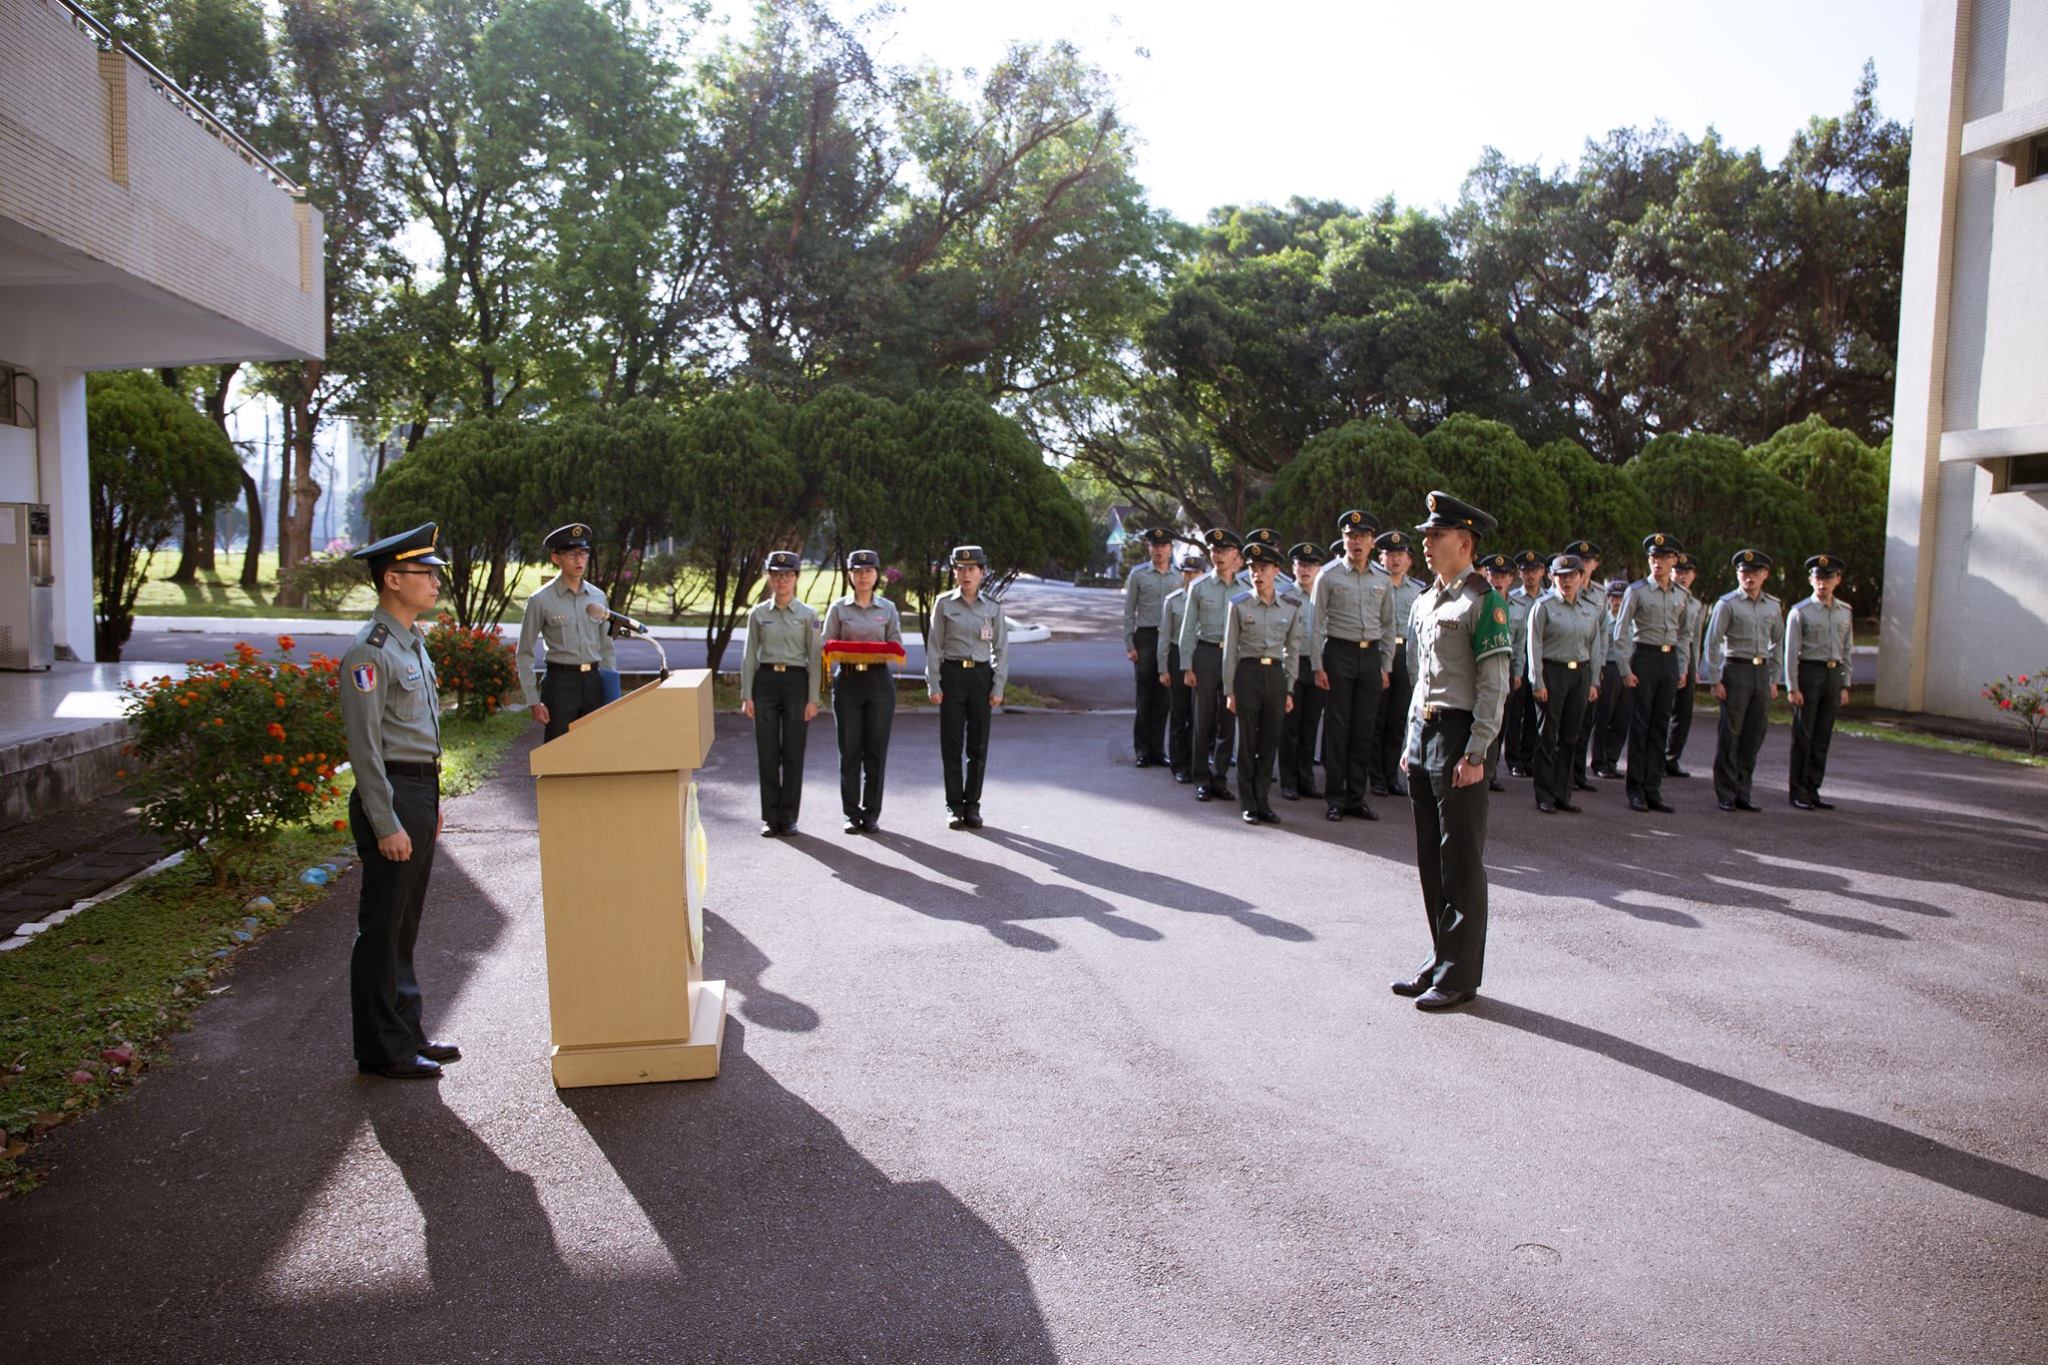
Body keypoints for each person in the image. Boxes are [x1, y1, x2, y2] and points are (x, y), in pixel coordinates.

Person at [341, 523, 457, 1080]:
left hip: (417, 788)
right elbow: (364, 751)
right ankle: (382, 1050)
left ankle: (407, 1032)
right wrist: (386, 820)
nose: (435, 583)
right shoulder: (370, 652)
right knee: (383, 926)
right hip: (389, 789)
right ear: (392, 579)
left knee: (405, 925)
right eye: (424, 573)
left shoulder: (412, 643)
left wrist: (428, 801)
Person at [1394, 492, 1513, 1013]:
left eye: (1434, 535)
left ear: (1464, 543)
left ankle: (1461, 974)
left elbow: (1495, 684)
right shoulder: (1426, 600)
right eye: (1425, 534)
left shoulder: (1485, 600)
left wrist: (1478, 749)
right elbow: (1418, 679)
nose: (1424, 541)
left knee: (1461, 859)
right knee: (1430, 855)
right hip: (1425, 735)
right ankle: (1440, 956)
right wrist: (1408, 739)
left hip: (1461, 735)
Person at [1309, 509, 1394, 822]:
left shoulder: (1383, 580)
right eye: (1350, 536)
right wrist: (1318, 665)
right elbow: (1315, 624)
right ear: (1343, 539)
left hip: (1370, 656)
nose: (1356, 542)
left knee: (1363, 729)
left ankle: (1356, 797)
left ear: (1372, 542)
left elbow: (1388, 625)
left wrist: (1385, 665)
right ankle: (1335, 797)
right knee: (1338, 727)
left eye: (1362, 537)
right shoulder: (1328, 575)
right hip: (1338, 653)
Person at [1223, 535, 1308, 824]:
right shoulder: (1239, 605)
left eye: (1263, 568)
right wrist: (1229, 690)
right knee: (1247, 742)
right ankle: (1248, 802)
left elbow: (1293, 649)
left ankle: (1263, 801)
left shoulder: (1291, 606)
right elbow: (1230, 651)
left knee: (1269, 741)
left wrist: (1290, 688)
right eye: (1253, 568)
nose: (1257, 574)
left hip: (1275, 676)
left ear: (1276, 572)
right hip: (1247, 675)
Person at [741, 549, 823, 836]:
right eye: (776, 575)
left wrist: (813, 698)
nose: (782, 580)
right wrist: (746, 694)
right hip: (765, 683)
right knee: (767, 751)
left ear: (796, 578)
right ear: (769, 577)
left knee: (793, 751)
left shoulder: (808, 615)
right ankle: (769, 816)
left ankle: (788, 817)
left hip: (795, 683)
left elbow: (815, 658)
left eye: (787, 575)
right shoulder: (759, 613)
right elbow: (749, 655)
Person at [822, 549, 904, 833]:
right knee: (849, 749)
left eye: (868, 571)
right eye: (857, 571)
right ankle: (850, 813)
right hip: (847, 682)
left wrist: (875, 651)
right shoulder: (839, 609)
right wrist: (846, 651)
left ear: (876, 574)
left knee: (876, 750)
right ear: (850, 575)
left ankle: (871, 813)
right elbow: (826, 644)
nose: (863, 576)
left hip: (879, 682)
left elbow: (895, 643)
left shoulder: (888, 609)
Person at [927, 544, 1009, 829]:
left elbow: (1001, 649)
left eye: (971, 569)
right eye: (960, 569)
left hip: (981, 678)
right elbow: (934, 646)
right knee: (951, 745)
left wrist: (998, 686)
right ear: (954, 572)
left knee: (978, 745)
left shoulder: (992, 607)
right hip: (952, 676)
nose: (966, 574)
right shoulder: (944, 604)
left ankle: (972, 805)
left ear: (982, 572)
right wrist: (933, 682)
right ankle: (954, 805)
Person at [516, 522, 619, 742]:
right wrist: (534, 701)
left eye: (583, 553)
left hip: (594, 681)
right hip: (560, 684)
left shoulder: (598, 597)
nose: (579, 560)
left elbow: (607, 647)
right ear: (556, 558)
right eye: (571, 554)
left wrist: (612, 693)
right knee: (558, 751)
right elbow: (524, 652)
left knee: (594, 748)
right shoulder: (540, 600)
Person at [1700, 549, 1784, 812]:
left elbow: (1778, 642)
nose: (1750, 577)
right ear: (1737, 574)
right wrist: (1715, 679)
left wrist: (1775, 679)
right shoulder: (1727, 604)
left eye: (1755, 572)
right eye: (1744, 572)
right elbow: (1712, 642)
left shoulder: (1773, 605)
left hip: (1761, 673)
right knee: (1730, 734)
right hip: (1736, 671)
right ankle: (1725, 791)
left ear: (1765, 575)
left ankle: (1743, 791)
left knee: (1754, 735)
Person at [1614, 534, 1688, 814]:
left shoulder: (1681, 594)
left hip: (1668, 660)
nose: (1659, 562)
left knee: (1661, 725)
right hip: (1643, 656)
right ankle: (1636, 790)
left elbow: (1685, 634)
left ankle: (1653, 789)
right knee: (1641, 726)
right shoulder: (1638, 590)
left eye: (1665, 557)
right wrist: (1625, 668)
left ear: (1674, 561)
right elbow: (1621, 632)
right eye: (1654, 557)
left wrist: (1683, 666)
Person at [1526, 553, 1603, 813]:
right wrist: (1537, 681)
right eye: (1561, 576)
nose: (1567, 581)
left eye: (1572, 576)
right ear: (1552, 577)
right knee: (1548, 735)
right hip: (1552, 672)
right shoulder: (1544, 606)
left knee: (1571, 736)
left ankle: (1563, 792)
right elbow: (1533, 646)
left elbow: (1595, 647)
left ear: (1582, 577)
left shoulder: (1590, 609)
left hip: (1579, 674)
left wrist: (1593, 681)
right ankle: (1545, 794)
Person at [1176, 529, 1244, 804]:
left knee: (1228, 723)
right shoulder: (1199, 587)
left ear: (1236, 555)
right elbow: (1188, 629)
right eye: (1214, 551)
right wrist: (1186, 666)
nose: (1218, 556)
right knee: (1203, 721)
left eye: (1224, 551)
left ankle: (1220, 779)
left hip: (1235, 659)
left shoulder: (1246, 590)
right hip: (1205, 656)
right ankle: (1201, 779)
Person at [1786, 553, 1854, 811]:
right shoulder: (1800, 612)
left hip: (1833, 674)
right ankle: (1798, 790)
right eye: (1817, 578)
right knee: (1804, 734)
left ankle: (1813, 788)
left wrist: (1845, 683)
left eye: (1827, 578)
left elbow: (1847, 649)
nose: (1822, 583)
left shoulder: (1844, 611)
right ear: (1810, 580)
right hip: (1809, 672)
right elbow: (1791, 653)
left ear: (1837, 579)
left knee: (1822, 735)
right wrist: (1792, 687)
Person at [1371, 529, 1424, 799]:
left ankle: (1391, 775)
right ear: (1380, 558)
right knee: (1377, 718)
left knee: (1397, 719)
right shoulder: (1374, 585)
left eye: (1399, 555)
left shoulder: (1417, 591)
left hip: (1405, 653)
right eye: (1389, 554)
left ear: (1409, 560)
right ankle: (1376, 776)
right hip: (1380, 650)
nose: (1394, 560)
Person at [1122, 528, 1178, 768]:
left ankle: (1158, 750)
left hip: (1170, 639)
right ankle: (1142, 750)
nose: (1159, 549)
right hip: (1146, 638)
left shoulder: (1179, 576)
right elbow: (1128, 611)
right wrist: (1129, 643)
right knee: (1145, 695)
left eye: (1163, 545)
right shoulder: (1138, 575)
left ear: (1170, 548)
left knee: (1165, 697)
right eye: (1155, 545)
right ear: (1149, 548)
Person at [1280, 542, 1327, 801]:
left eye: (1310, 565)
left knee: (1310, 726)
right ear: (1293, 567)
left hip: (1317, 665)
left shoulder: (1325, 595)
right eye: (1300, 564)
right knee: (1290, 726)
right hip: (1291, 663)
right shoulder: (1284, 594)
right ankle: (1288, 781)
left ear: (1319, 568)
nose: (1305, 569)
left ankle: (1305, 779)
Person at [1478, 552, 1528, 792]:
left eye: (1503, 575)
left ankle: (1491, 770)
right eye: (1493, 574)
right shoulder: (1477, 601)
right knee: (1479, 718)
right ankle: (1474, 764)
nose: (1498, 580)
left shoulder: (1519, 608)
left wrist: (1518, 671)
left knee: (1500, 722)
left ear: (1511, 579)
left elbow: (1519, 644)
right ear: (1486, 576)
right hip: (1481, 668)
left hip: (1506, 669)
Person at [1158, 551, 1207, 784]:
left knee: (1201, 714)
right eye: (1186, 573)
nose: (1190, 577)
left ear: (1203, 574)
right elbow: (1164, 638)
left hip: (1202, 655)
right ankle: (1179, 763)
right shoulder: (1173, 600)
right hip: (1177, 657)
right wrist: (1163, 669)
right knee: (1179, 713)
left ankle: (1198, 762)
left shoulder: (1210, 599)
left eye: (1195, 573)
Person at [1562, 540, 1605, 791]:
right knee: (1564, 726)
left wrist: (1598, 669)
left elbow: (1602, 635)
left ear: (1595, 565)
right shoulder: (1562, 588)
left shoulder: (1600, 594)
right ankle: (1563, 775)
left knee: (1584, 722)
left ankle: (1578, 772)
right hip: (1563, 664)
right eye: (1578, 560)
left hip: (1587, 664)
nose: (1584, 565)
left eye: (1588, 561)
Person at [1507, 549, 1548, 777]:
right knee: (1515, 712)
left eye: (1534, 570)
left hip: (1540, 661)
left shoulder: (1548, 598)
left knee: (1534, 712)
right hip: (1518, 659)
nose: (1530, 575)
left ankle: (1528, 756)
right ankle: (1513, 759)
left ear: (1542, 572)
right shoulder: (1513, 598)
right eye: (1525, 571)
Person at [1666, 553, 1706, 778]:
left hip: (1687, 652)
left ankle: (1672, 757)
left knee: (1683, 710)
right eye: (1678, 572)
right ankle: (1658, 756)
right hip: (1668, 649)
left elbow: (1696, 637)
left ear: (1693, 575)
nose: (1681, 576)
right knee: (1663, 707)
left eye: (1686, 572)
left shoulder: (1697, 604)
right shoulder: (1670, 597)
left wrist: (1695, 665)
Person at [1592, 578, 1633, 779]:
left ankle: (1612, 760)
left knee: (1622, 719)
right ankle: (1599, 761)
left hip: (1626, 670)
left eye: (1620, 598)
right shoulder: (1603, 619)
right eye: (1613, 597)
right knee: (1603, 718)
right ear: (1608, 599)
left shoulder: (1632, 622)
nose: (1617, 601)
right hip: (1607, 669)